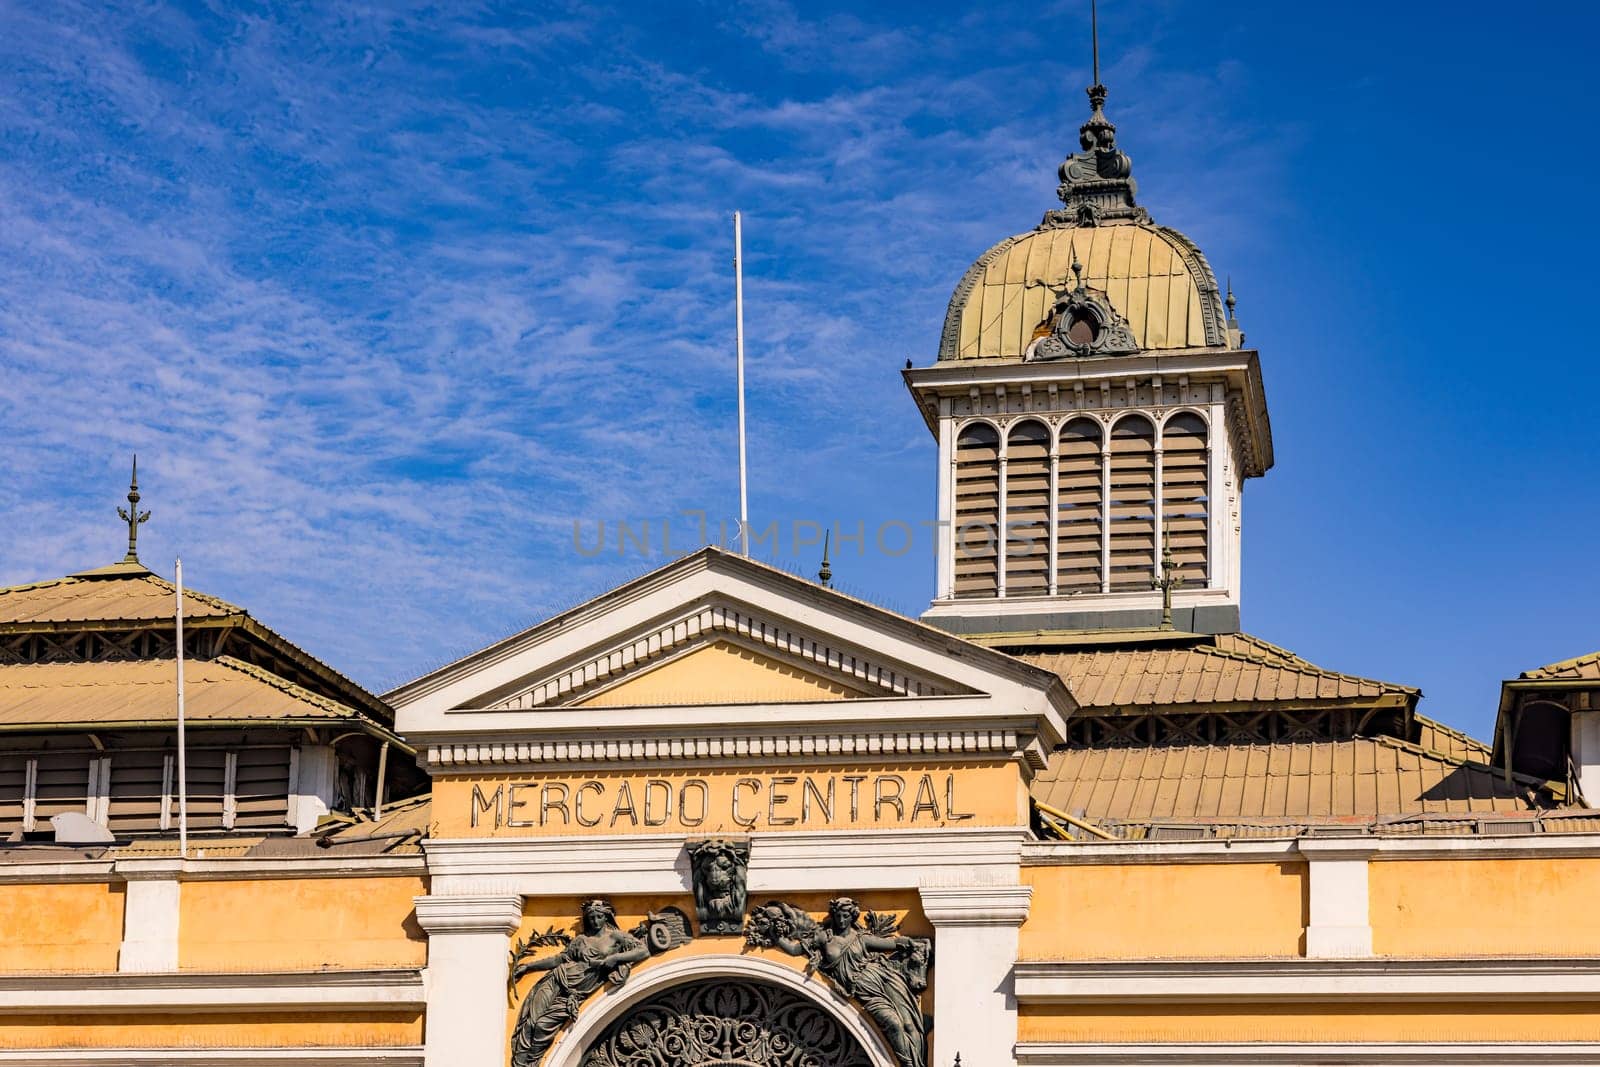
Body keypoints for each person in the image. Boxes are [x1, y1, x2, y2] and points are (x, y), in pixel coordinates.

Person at [510, 899, 648, 1067]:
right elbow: (558, 960)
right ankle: (520, 1062)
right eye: (591, 918)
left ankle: (530, 1061)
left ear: (606, 917)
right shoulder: (580, 940)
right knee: (530, 1022)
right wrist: (528, 967)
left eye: (599, 917)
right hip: (556, 979)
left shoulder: (616, 936)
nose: (595, 921)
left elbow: (642, 950)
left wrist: (615, 957)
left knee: (542, 1025)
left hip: (574, 993)